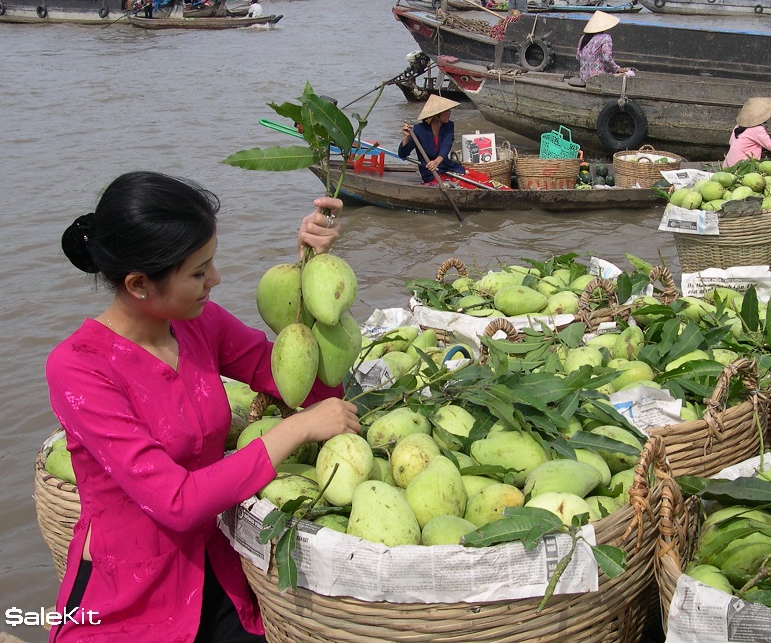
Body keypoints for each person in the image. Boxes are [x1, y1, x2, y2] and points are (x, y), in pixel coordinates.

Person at [47, 172, 359, 641]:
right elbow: (175, 503)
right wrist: (296, 430)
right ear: (138, 284)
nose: (216, 279)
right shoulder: (79, 368)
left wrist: (311, 278)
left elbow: (309, 391)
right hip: (132, 595)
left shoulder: (199, 322)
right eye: (198, 272)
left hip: (219, 568)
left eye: (211, 263)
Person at [398, 96, 467, 185]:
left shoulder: (449, 126)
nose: (450, 113)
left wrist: (436, 161)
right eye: (447, 111)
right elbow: (402, 154)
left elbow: (447, 144)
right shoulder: (419, 130)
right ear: (437, 114)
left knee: (479, 179)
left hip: (447, 167)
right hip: (431, 173)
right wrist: (407, 137)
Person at [723, 97, 771, 167]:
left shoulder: (739, 125)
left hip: (729, 164)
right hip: (743, 167)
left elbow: (731, 142)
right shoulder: (757, 129)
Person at [577, 10, 630, 82]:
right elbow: (607, 58)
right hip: (597, 77)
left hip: (584, 77)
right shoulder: (605, 38)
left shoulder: (583, 38)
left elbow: (578, 57)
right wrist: (617, 69)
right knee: (627, 74)